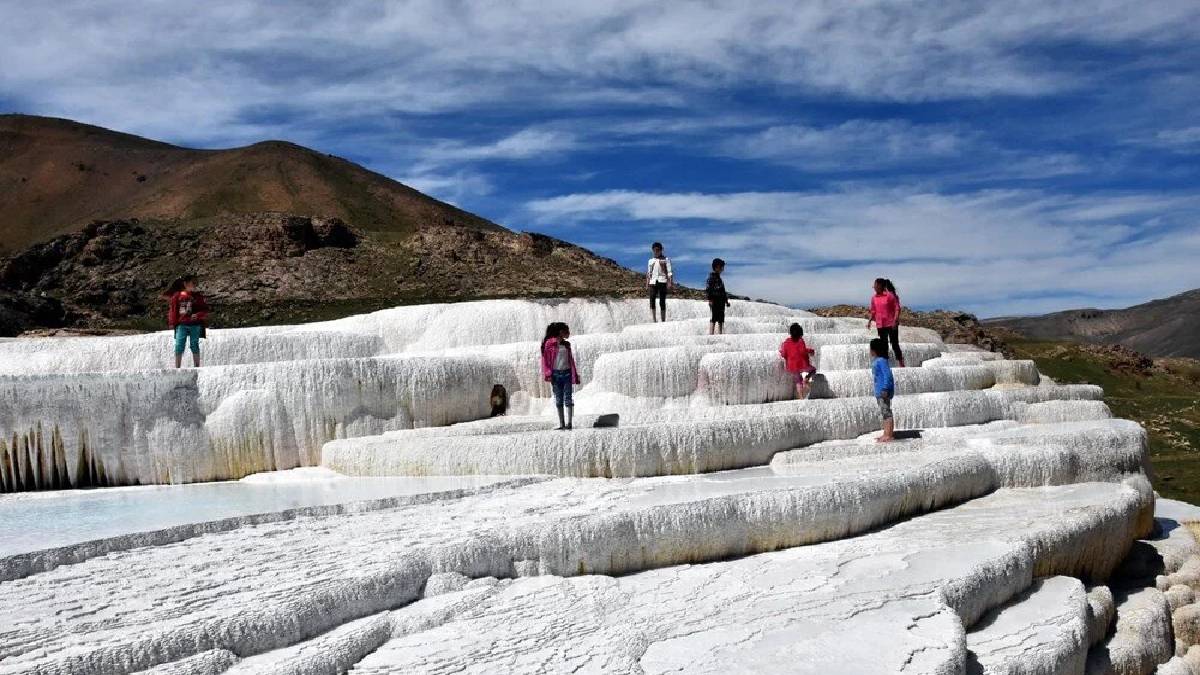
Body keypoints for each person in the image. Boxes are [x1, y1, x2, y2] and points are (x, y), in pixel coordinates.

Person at [162, 274, 210, 369]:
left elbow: (205, 310)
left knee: (194, 345)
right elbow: (173, 310)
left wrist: (198, 315)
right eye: (193, 282)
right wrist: (172, 323)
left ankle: (197, 367)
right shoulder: (177, 296)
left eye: (196, 283)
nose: (195, 285)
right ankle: (177, 368)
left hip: (195, 325)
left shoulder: (198, 297)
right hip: (182, 324)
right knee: (179, 344)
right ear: (185, 283)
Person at [541, 322, 580, 430]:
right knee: (558, 399)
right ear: (560, 331)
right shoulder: (550, 343)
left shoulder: (567, 344)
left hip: (567, 373)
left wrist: (574, 374)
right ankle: (562, 424)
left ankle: (570, 423)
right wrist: (548, 373)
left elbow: (570, 361)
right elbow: (545, 360)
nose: (569, 333)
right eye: (566, 331)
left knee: (568, 398)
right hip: (556, 375)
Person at [866, 278, 904, 367]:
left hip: (891, 323)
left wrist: (895, 320)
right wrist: (869, 321)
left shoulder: (889, 295)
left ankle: (901, 363)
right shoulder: (873, 298)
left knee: (894, 344)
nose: (874, 287)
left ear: (880, 286)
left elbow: (897, 308)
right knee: (883, 345)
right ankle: (885, 364)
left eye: (875, 285)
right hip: (880, 324)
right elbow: (873, 311)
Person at [780, 323, 817, 399]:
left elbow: (783, 354)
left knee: (798, 380)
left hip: (792, 366)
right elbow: (803, 351)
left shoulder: (786, 343)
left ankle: (801, 397)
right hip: (803, 364)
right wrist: (810, 351)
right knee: (813, 370)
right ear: (800, 333)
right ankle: (806, 378)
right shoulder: (800, 341)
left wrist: (781, 352)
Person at [871, 338, 896, 443]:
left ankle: (889, 435)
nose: (870, 351)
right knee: (884, 412)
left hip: (883, 391)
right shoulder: (878, 360)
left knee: (887, 413)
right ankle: (886, 433)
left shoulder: (881, 361)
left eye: (871, 348)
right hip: (879, 391)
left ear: (875, 350)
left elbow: (888, 375)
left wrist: (885, 388)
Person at [646, 242, 673, 322]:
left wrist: (670, 282)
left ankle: (663, 320)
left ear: (661, 250)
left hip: (662, 281)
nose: (656, 252)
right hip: (653, 281)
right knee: (652, 299)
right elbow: (648, 272)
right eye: (654, 250)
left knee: (662, 301)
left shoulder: (666, 259)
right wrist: (647, 283)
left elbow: (670, 272)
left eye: (658, 250)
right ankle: (653, 320)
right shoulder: (650, 261)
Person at [705, 258, 731, 335]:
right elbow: (708, 289)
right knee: (714, 317)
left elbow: (723, 291)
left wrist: (726, 301)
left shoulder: (720, 280)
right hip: (714, 300)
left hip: (721, 301)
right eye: (721, 267)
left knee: (721, 318)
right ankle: (711, 333)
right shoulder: (711, 278)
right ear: (717, 267)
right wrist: (710, 299)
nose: (723, 269)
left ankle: (720, 333)